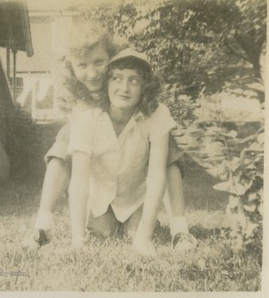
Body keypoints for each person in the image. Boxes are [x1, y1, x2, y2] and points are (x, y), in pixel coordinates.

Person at [34, 21, 196, 251]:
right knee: (64, 142)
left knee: (167, 149)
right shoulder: (80, 99)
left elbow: (136, 82)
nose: (92, 74)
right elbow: (79, 168)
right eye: (82, 65)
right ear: (71, 66)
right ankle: (43, 223)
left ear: (110, 58)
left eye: (99, 62)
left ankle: (179, 229)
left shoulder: (126, 74)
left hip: (137, 146)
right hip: (95, 147)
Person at [68, 49, 197, 255]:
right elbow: (78, 180)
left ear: (145, 87)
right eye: (117, 78)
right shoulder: (87, 115)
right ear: (107, 83)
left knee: (135, 233)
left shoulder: (157, 113)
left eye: (134, 81)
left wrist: (144, 238)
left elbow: (156, 175)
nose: (124, 88)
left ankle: (176, 229)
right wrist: (77, 240)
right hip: (100, 197)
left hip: (136, 195)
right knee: (104, 232)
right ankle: (109, 223)